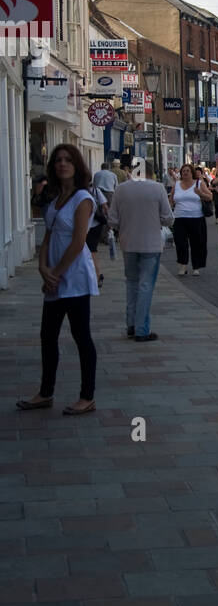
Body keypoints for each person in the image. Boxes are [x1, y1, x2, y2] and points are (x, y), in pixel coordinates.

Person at [16, 144, 98, 416]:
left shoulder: (82, 198)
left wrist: (57, 273)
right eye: (58, 160)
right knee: (47, 336)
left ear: (77, 165)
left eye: (68, 160)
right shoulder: (55, 199)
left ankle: (87, 396)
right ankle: (45, 392)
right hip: (54, 275)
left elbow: (78, 241)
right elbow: (49, 235)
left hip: (74, 276)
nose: (62, 164)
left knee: (80, 336)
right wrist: (43, 267)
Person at [107, 160, 174, 342]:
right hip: (151, 243)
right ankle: (142, 329)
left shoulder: (121, 190)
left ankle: (131, 324)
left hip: (128, 243)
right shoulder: (158, 188)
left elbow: (112, 220)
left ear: (132, 171)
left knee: (131, 283)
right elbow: (169, 218)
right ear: (151, 173)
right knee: (145, 286)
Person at [170, 162, 212, 276]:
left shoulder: (199, 183)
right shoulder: (177, 184)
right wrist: (170, 211)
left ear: (192, 173)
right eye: (183, 171)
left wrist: (200, 194)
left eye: (188, 171)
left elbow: (210, 196)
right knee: (180, 243)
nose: (185, 173)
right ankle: (183, 266)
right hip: (179, 218)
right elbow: (171, 200)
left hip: (196, 217)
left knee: (197, 243)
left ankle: (196, 266)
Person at [84, 175, 109, 288]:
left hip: (86, 225)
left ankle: (97, 275)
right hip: (96, 224)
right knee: (92, 250)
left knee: (90, 250)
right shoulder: (96, 191)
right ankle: (95, 275)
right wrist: (109, 220)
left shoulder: (79, 192)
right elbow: (104, 206)